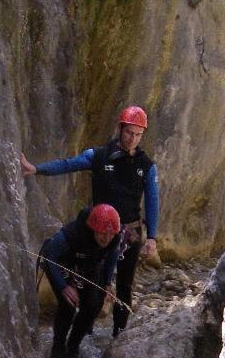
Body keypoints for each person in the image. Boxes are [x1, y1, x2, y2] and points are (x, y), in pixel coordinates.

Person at [20, 105, 159, 337]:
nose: (132, 139)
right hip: (100, 232)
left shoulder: (146, 166)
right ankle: (87, 329)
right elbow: (68, 164)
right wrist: (37, 169)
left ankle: (119, 332)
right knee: (92, 281)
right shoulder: (99, 156)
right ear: (120, 128)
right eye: (129, 133)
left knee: (124, 285)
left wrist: (152, 237)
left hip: (130, 231)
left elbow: (153, 201)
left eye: (138, 134)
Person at [38, 204, 122, 358]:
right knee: (68, 305)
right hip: (62, 263)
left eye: (110, 235)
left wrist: (107, 282)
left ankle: (73, 346)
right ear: (93, 229)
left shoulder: (114, 238)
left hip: (89, 265)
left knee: (93, 306)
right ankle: (58, 346)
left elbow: (111, 256)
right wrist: (63, 286)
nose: (106, 239)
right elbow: (49, 258)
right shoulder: (71, 235)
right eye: (102, 234)